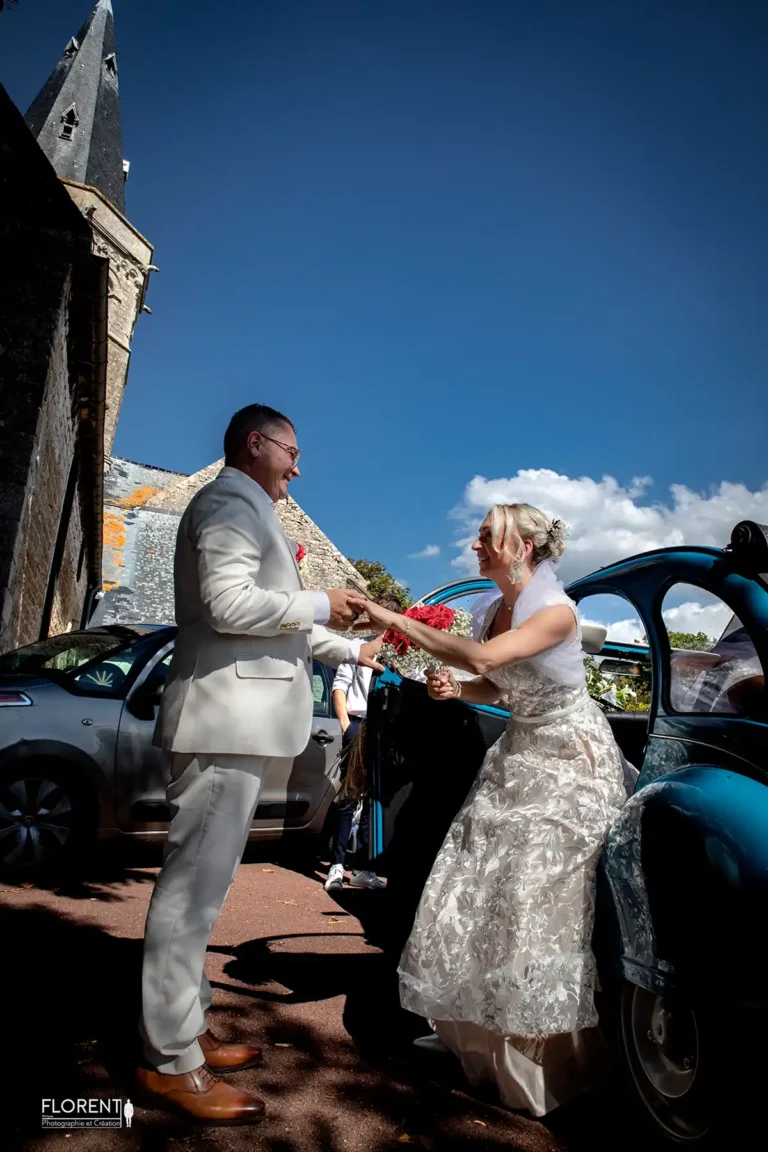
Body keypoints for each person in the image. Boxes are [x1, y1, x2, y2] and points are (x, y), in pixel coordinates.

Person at [136, 404, 383, 1125]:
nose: (298, 468)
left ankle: (189, 1027)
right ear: (257, 443)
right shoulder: (226, 500)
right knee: (188, 898)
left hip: (241, 725)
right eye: (292, 452)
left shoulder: (249, 508)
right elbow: (227, 604)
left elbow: (286, 629)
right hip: (224, 722)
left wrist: (354, 646)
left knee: (205, 896)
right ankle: (166, 1061)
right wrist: (322, 599)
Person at [349, 504, 627, 1118]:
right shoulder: (487, 610)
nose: (476, 544)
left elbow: (482, 660)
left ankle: (542, 1059)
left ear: (523, 546)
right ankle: (476, 1035)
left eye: (486, 536)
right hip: (518, 753)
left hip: (569, 761)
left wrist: (393, 619)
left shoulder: (557, 613)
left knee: (535, 898)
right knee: (477, 886)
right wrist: (456, 689)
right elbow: (491, 685)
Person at [325, 594, 401, 892]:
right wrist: (346, 725)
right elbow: (339, 686)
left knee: (376, 799)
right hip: (359, 725)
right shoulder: (358, 647)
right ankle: (336, 865)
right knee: (349, 795)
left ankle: (364, 868)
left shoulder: (406, 653)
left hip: (389, 730)